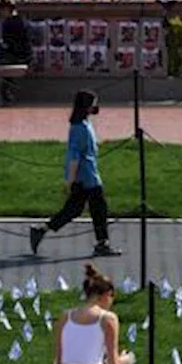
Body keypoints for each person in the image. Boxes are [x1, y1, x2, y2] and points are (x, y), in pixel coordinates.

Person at [30, 90, 120, 257]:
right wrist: (69, 181)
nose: (96, 107)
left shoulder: (83, 124)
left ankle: (42, 229)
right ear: (87, 107)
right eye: (93, 104)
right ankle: (102, 243)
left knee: (74, 209)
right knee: (98, 208)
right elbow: (74, 156)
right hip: (87, 176)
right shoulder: (80, 129)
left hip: (87, 174)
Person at [49, 264, 136, 364]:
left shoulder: (65, 316)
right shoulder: (107, 318)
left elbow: (59, 359)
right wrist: (127, 359)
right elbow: (114, 362)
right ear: (107, 295)